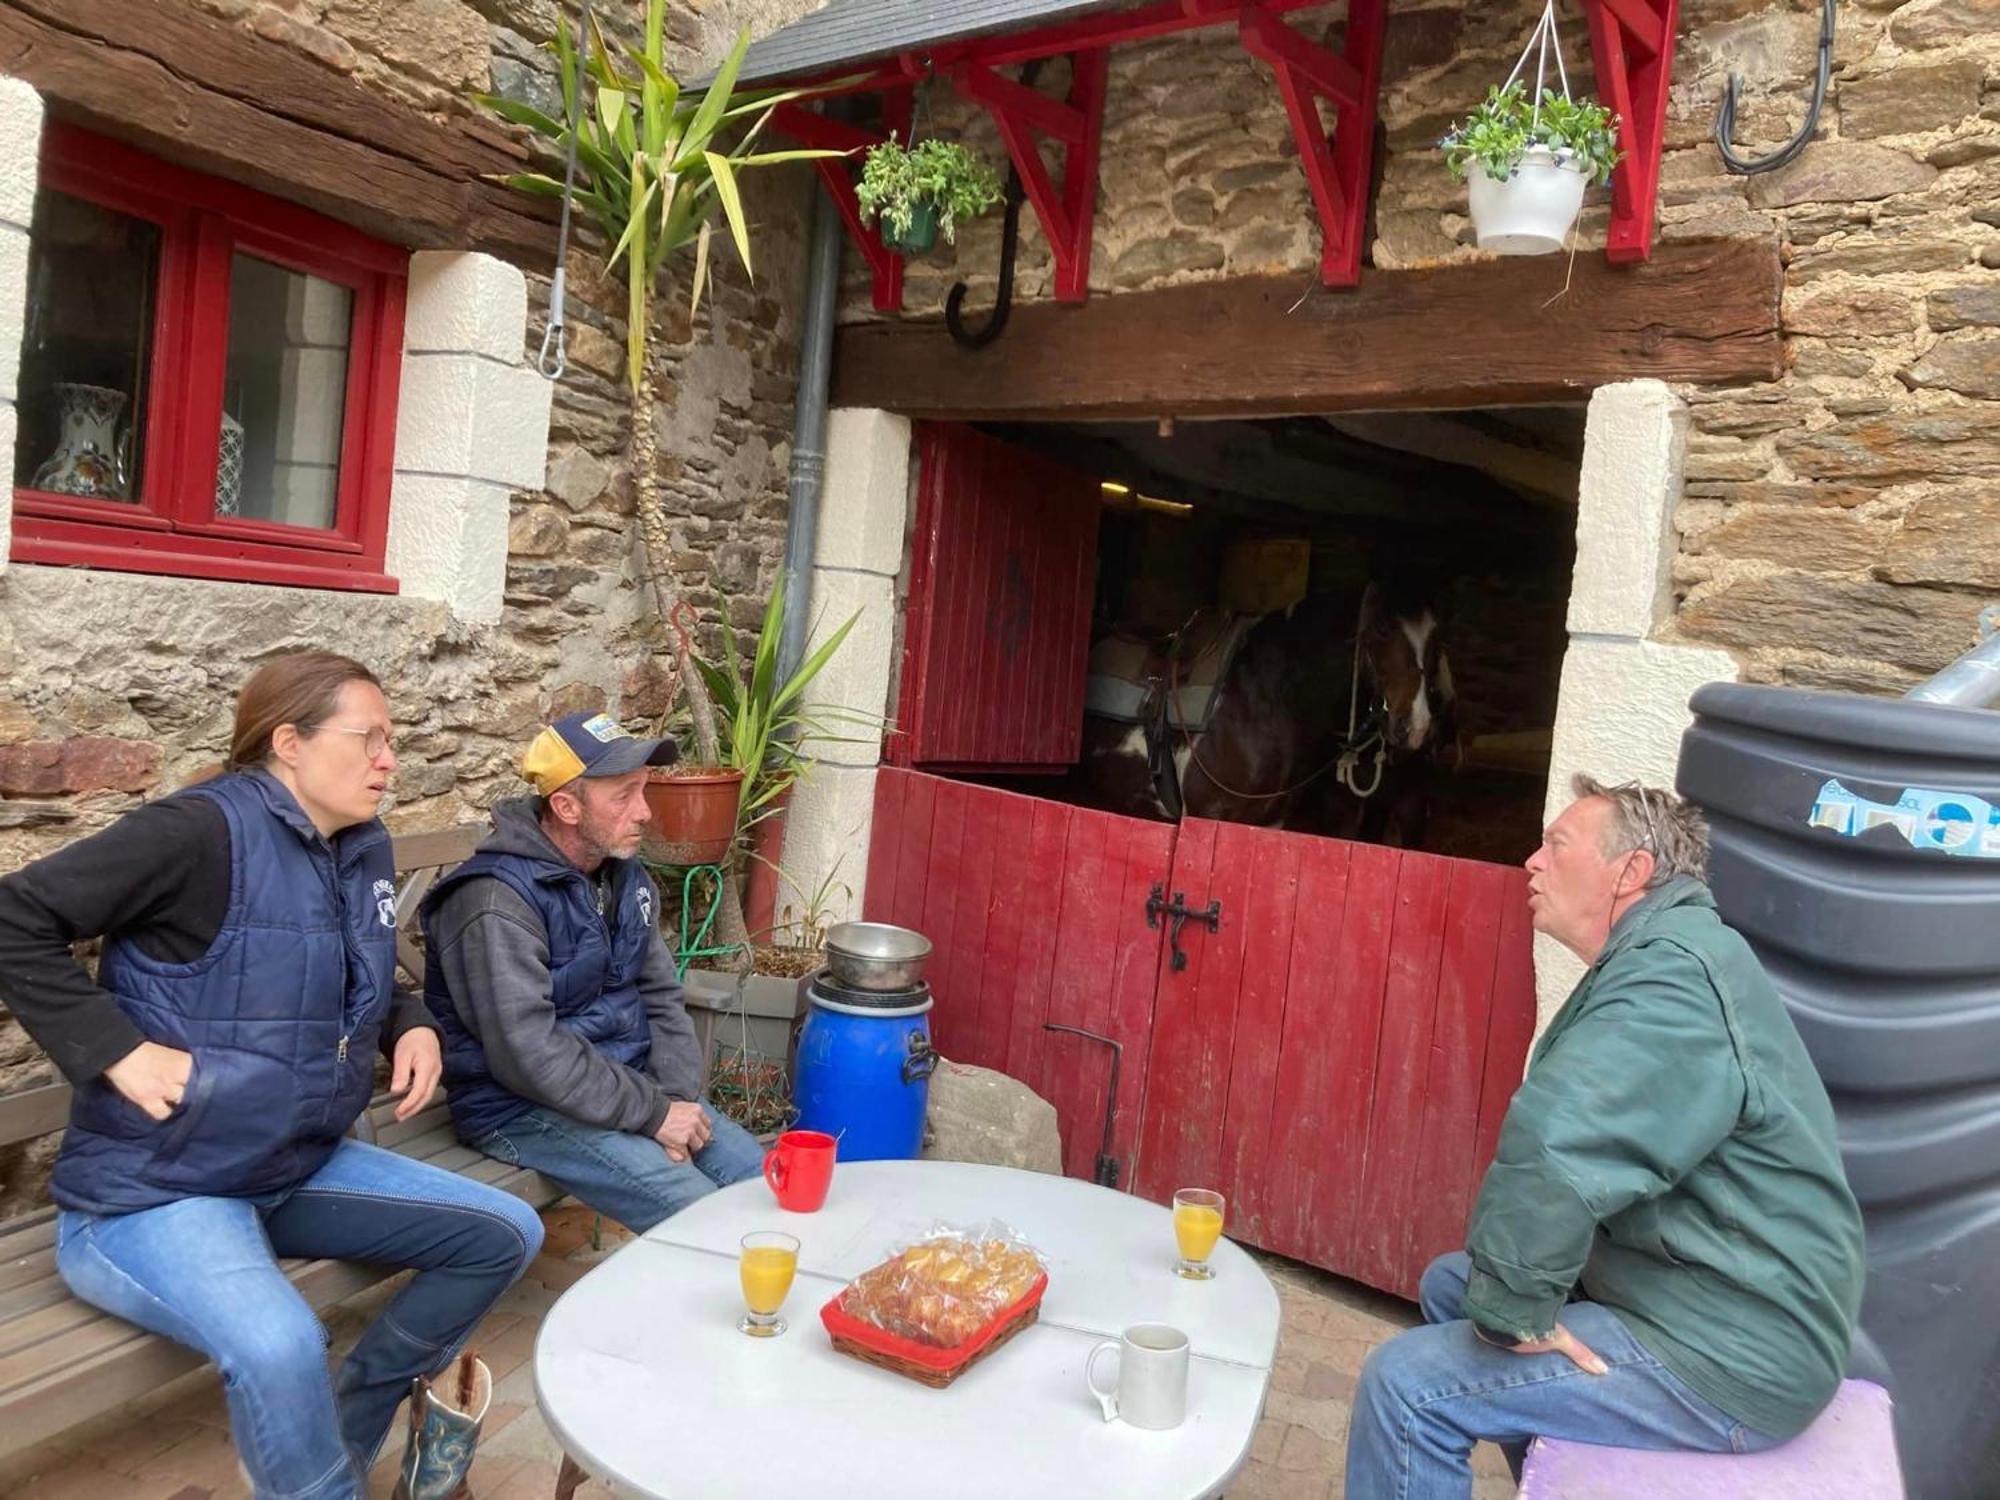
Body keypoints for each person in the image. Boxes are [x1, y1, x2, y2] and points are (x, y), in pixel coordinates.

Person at [0, 651, 545, 1500]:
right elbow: (14, 916)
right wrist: (115, 1048)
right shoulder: (196, 834)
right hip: (154, 1191)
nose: (389, 760)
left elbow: (363, 973)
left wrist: (412, 1022)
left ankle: (350, 1428)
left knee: (504, 1233)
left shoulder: (358, 847)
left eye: (391, 741)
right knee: (280, 1341)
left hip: (287, 1164)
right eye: (369, 739)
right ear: (288, 742)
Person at [1346, 774, 1865, 1499]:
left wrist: (1516, 1315)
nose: (1532, 859)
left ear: (1632, 872)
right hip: (1696, 1290)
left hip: (1734, 1347)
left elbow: (1561, 1148)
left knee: (1406, 1387)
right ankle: (1559, 1482)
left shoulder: (1672, 983)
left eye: (1557, 845)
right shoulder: (1664, 955)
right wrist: (1506, 1303)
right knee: (1452, 1284)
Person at [422, 711, 763, 1234]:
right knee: (705, 1222)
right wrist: (652, 1115)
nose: (645, 812)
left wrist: (674, 1098)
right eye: (623, 796)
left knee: (762, 1184)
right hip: (517, 1106)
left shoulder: (623, 877)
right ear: (566, 806)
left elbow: (660, 995)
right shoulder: (494, 901)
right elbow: (527, 1052)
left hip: (624, 1088)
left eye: (643, 791)